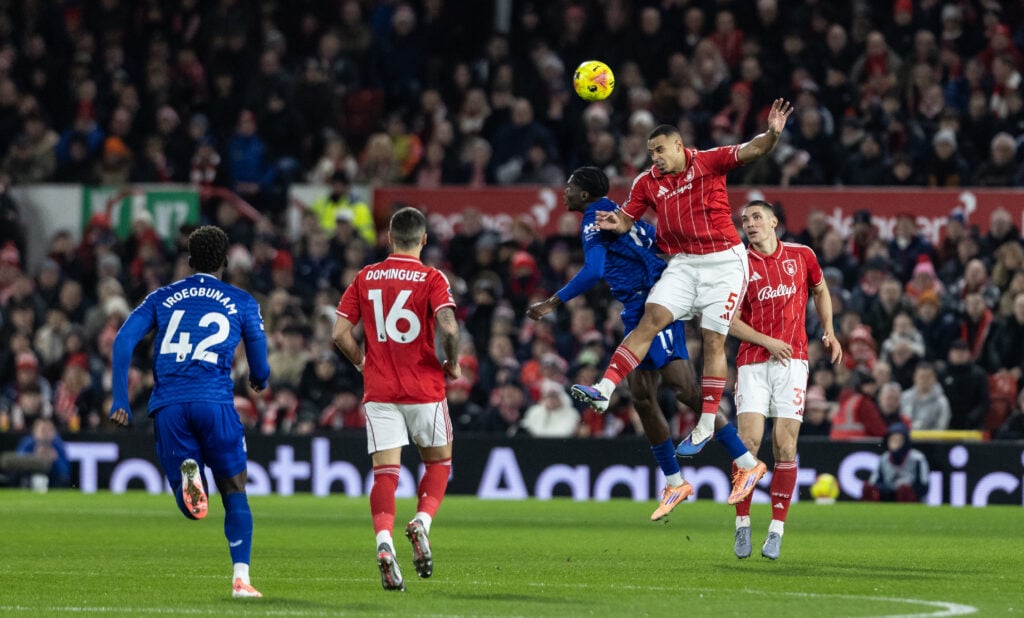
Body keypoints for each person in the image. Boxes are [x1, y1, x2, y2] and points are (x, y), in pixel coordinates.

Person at [529, 167, 765, 521]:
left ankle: (746, 462)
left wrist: (553, 302)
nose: (564, 193)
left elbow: (593, 270)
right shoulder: (624, 213)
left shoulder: (596, 217)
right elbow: (660, 245)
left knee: (686, 391)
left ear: (584, 194)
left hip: (651, 304)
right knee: (641, 396)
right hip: (638, 305)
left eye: (569, 187)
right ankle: (674, 481)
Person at [571, 99, 795, 456]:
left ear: (679, 146)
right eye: (650, 152)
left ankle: (706, 423)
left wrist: (771, 134)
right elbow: (628, 217)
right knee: (651, 319)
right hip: (684, 263)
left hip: (724, 262)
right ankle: (605, 387)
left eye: (660, 150)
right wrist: (618, 222)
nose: (655, 157)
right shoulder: (647, 182)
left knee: (712, 340)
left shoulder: (709, 160)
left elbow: (753, 150)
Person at [108, 225, 269, 599]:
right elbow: (259, 365)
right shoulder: (242, 300)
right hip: (215, 402)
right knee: (234, 489)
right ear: (226, 261)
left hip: (170, 405)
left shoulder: (162, 298)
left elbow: (123, 341)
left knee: (192, 505)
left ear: (189, 260)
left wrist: (119, 399)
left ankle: (189, 475)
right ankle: (241, 579)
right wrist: (260, 379)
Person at [332, 206, 460, 592]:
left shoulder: (366, 276)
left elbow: (339, 333)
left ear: (389, 238)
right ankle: (421, 521)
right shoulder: (432, 277)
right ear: (423, 240)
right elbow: (449, 326)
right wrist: (451, 361)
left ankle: (384, 543)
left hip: (380, 389)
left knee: (385, 473)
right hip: (424, 386)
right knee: (439, 463)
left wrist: (362, 363)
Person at [726, 200, 843, 561]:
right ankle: (742, 524)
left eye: (757, 217)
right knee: (748, 442)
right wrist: (766, 341)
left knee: (785, 446)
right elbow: (727, 319)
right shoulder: (738, 264)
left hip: (793, 364)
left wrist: (829, 331)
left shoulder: (802, 255)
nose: (750, 224)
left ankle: (776, 530)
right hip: (752, 364)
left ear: (774, 221)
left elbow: (821, 290)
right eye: (745, 220)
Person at [861, 423, 930, 502]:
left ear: (905, 442)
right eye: (892, 439)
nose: (895, 443)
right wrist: (890, 490)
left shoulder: (917, 458)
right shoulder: (884, 458)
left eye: (898, 440)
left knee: (904, 491)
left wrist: (906, 489)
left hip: (911, 499)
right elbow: (874, 483)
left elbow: (924, 486)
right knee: (868, 488)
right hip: (889, 495)